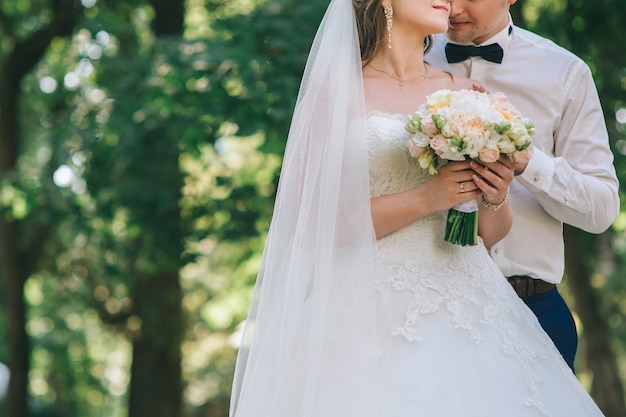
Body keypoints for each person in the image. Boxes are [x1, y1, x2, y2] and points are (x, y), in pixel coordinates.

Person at [228, 0, 608, 416]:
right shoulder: (336, 91)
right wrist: (429, 198)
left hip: (474, 304)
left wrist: (496, 194)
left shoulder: (465, 94)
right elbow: (308, 223)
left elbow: (490, 232)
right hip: (367, 308)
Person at [426, 0, 620, 373]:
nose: (454, 7)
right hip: (428, 307)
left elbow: (602, 210)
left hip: (533, 309)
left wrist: (531, 163)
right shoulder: (405, 58)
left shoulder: (565, 73)